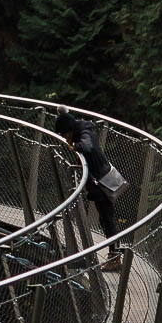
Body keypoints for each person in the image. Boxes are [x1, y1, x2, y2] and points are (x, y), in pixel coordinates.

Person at [54, 109, 122, 270]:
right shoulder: (83, 129)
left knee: (108, 219)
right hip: (99, 182)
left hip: (101, 183)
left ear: (69, 130)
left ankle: (115, 258)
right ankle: (114, 255)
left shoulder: (84, 133)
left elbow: (87, 146)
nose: (65, 138)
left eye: (65, 135)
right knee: (106, 219)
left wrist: (74, 147)